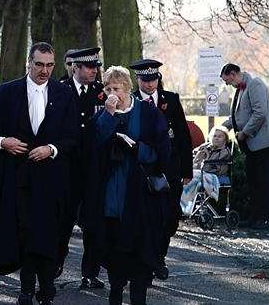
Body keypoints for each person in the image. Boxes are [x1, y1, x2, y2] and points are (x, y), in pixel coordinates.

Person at [0, 42, 79, 305]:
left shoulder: (64, 94)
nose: (44, 70)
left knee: (49, 234)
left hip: (51, 180)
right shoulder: (6, 92)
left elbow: (74, 137)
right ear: (29, 62)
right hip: (16, 178)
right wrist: (4, 142)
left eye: (49, 65)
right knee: (23, 235)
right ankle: (26, 290)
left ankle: (46, 289)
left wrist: (52, 149)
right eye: (39, 64)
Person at [82, 66, 170, 305]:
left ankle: (138, 296)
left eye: (117, 88)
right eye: (108, 88)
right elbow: (92, 147)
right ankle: (115, 291)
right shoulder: (103, 114)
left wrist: (137, 148)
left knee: (140, 250)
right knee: (115, 249)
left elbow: (163, 152)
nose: (113, 93)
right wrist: (108, 116)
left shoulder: (149, 113)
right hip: (112, 194)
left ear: (128, 88)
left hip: (141, 194)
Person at [129, 58, 192, 279]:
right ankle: (150, 261)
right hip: (142, 169)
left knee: (170, 218)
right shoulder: (131, 100)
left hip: (170, 169)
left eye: (153, 79)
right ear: (137, 79)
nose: (150, 85)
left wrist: (187, 170)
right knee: (146, 217)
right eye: (145, 80)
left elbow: (183, 136)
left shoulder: (171, 100)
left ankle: (159, 255)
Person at [58, 46, 105, 289]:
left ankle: (90, 272)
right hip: (65, 167)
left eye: (96, 66)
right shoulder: (60, 90)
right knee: (62, 220)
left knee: (93, 223)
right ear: (75, 68)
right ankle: (54, 266)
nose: (94, 71)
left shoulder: (100, 92)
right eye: (89, 67)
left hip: (92, 168)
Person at [220, 63, 269, 230]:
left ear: (233, 74)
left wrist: (245, 133)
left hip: (264, 143)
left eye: (228, 81)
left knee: (264, 181)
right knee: (254, 182)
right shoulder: (240, 89)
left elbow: (260, 113)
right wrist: (222, 128)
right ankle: (255, 217)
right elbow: (237, 115)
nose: (228, 85)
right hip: (252, 145)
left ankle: (265, 219)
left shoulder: (255, 84)